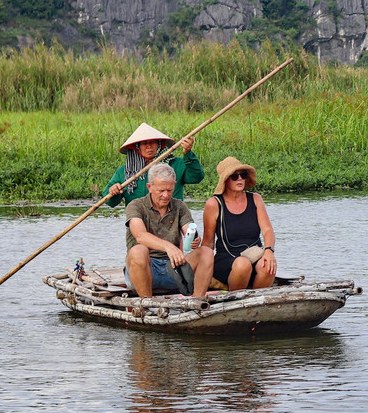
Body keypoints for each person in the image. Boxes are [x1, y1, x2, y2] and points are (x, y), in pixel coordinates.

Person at [124, 163, 214, 298]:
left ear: (174, 186)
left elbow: (188, 228)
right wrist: (168, 247)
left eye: (169, 190)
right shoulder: (136, 206)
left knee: (206, 252)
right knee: (138, 251)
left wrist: (194, 238)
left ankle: (196, 301)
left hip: (174, 268)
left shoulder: (180, 206)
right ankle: (147, 303)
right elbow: (140, 236)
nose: (166, 195)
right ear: (149, 187)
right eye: (161, 191)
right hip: (145, 269)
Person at [201, 157, 278, 291]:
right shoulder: (214, 204)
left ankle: (256, 299)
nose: (240, 179)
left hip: (254, 255)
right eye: (235, 176)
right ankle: (235, 297)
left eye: (243, 175)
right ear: (225, 180)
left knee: (268, 266)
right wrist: (201, 270)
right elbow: (208, 243)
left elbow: (267, 230)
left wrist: (269, 251)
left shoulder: (255, 199)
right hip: (226, 259)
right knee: (243, 264)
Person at [106, 122, 204, 206]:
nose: (149, 146)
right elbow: (110, 202)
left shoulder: (175, 165)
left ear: (159, 144)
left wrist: (187, 153)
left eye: (152, 142)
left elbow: (196, 177)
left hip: (171, 217)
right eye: (144, 143)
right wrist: (114, 191)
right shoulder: (125, 172)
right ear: (137, 147)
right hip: (138, 219)